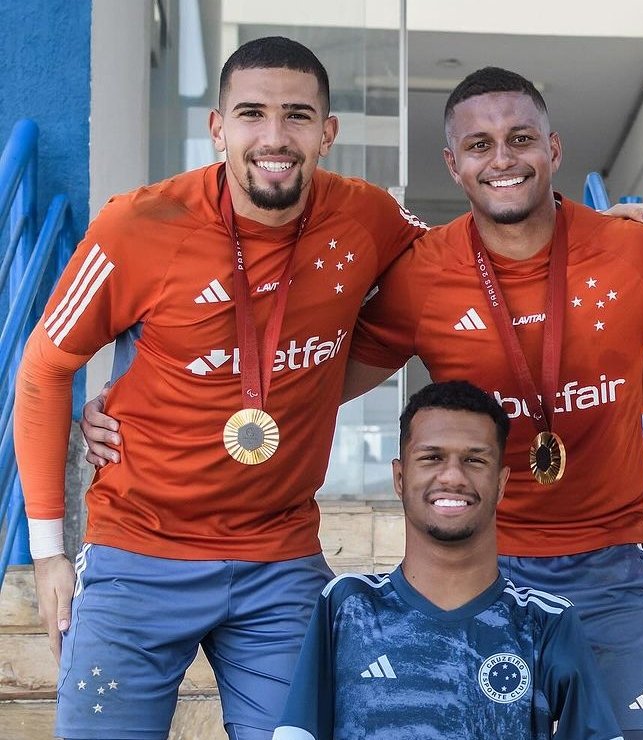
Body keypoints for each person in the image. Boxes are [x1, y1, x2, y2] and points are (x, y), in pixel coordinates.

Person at [13, 36, 430, 739]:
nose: (275, 137)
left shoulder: (366, 217)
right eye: (252, 114)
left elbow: (472, 255)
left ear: (328, 133)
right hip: (138, 556)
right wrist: (48, 552)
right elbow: (45, 368)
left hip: (280, 561)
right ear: (218, 127)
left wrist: (596, 231)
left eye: (298, 116)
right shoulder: (137, 225)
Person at [339, 67, 643, 740]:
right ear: (453, 164)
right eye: (478, 146)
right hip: (475, 571)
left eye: (520, 138)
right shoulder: (421, 275)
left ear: (554, 150)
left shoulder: (634, 252)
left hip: (613, 568)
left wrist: (622, 392)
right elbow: (320, 384)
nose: (501, 159)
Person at [273, 380, 624, 739]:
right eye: (432, 458)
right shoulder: (347, 605)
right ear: (399, 476)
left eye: (474, 460)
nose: (453, 476)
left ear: (501, 483)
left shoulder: (544, 622)